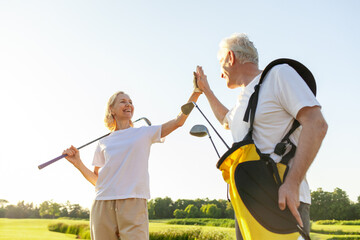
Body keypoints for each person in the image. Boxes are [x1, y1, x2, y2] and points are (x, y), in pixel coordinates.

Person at [194, 33, 328, 238]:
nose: (221, 74)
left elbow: (316, 124)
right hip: (248, 205)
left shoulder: (279, 75)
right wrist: (206, 90)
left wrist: (292, 184)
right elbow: (226, 120)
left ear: (231, 57)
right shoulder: (244, 99)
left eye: (221, 63)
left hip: (282, 202)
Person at [63, 89, 201, 240]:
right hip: (102, 204)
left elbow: (178, 121)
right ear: (111, 109)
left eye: (130, 102)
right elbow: (98, 181)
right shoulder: (103, 142)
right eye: (123, 102)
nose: (128, 105)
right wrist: (78, 163)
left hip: (133, 203)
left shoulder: (144, 133)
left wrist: (195, 94)